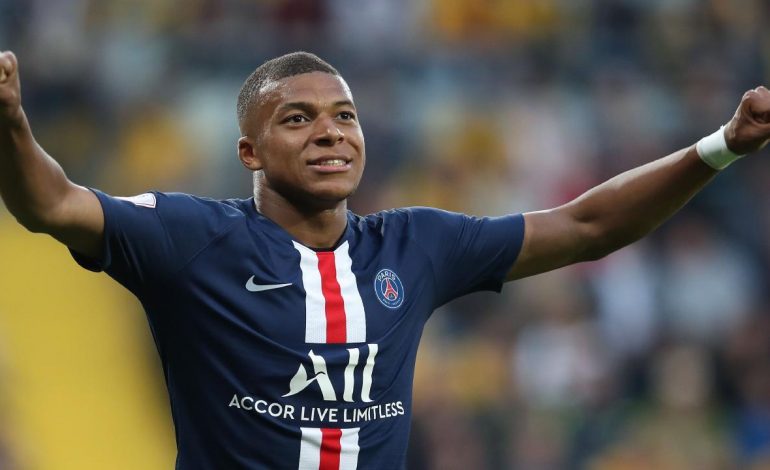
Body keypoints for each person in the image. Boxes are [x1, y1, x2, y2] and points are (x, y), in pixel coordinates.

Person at [0, 49, 768, 469]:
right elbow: (52, 204)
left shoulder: (415, 246)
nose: (331, 132)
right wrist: (9, 121)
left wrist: (720, 146)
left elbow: (587, 225)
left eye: (345, 116)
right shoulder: (191, 237)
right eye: (297, 118)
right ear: (249, 151)